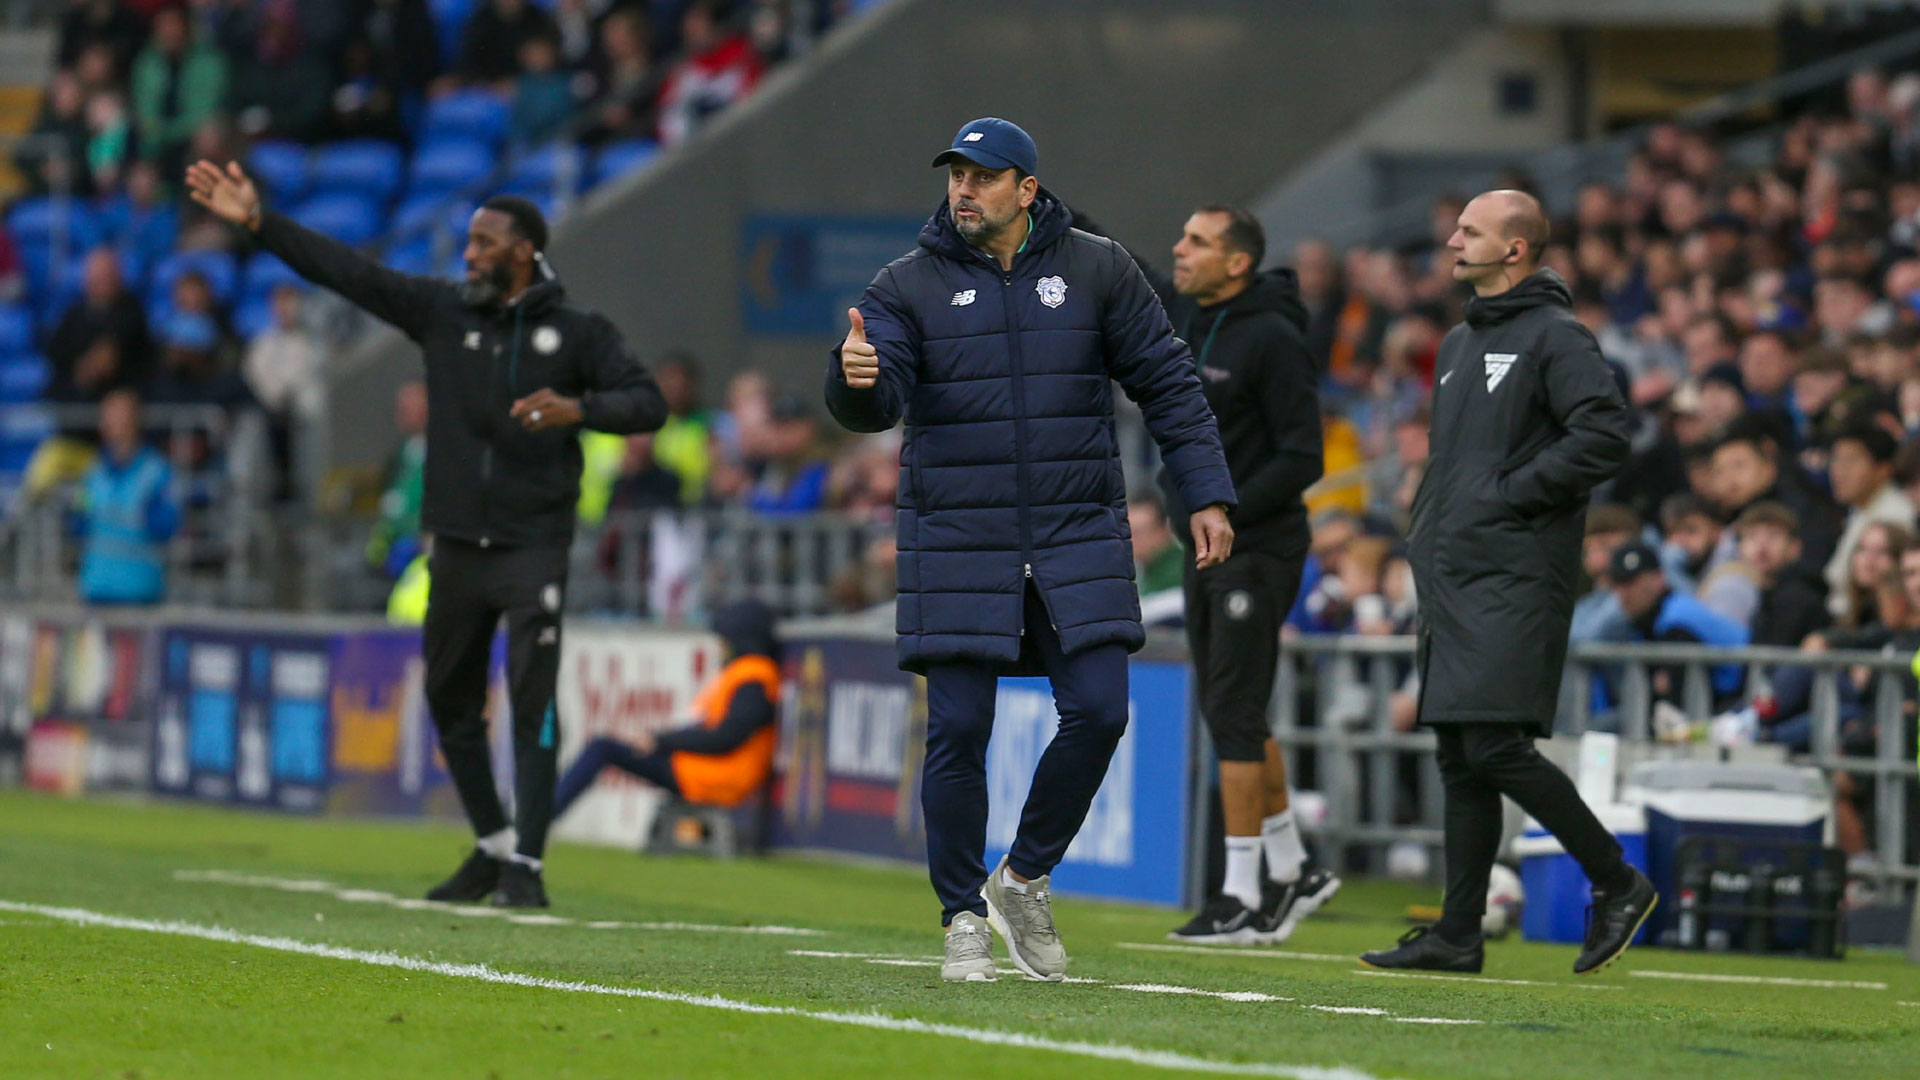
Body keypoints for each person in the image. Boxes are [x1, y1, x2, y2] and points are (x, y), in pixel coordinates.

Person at [185, 159, 668, 908]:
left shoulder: (579, 333)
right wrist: (258, 221)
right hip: (455, 545)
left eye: (482, 243)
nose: (468, 253)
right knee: (449, 701)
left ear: (522, 251)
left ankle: (528, 869)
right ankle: (491, 843)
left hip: (533, 543)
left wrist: (580, 410)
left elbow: (647, 402)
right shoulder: (443, 312)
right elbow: (349, 272)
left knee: (532, 699)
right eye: (468, 242)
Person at [824, 118, 1235, 983]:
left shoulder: (1098, 268)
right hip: (958, 538)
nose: (963, 190)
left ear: (1026, 190)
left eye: (982, 176)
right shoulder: (906, 285)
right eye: (955, 176)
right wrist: (852, 380)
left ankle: (1025, 876)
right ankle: (961, 917)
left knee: (1102, 709)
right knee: (961, 727)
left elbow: (1168, 384)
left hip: (1075, 531)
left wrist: (1204, 492)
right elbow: (878, 393)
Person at [1359, 190, 1656, 977]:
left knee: (1493, 743)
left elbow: (1603, 435)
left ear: (1515, 250)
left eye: (1470, 231)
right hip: (1457, 572)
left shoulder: (1557, 336)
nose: (1451, 239)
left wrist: (1507, 497)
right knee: (1462, 753)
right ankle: (1458, 934)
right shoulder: (1459, 342)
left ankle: (1617, 879)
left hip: (1516, 573)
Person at [1155, 204, 1339, 944]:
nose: (1181, 248)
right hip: (1209, 545)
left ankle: (1237, 893)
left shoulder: (1273, 338)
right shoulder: (1189, 318)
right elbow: (1131, 266)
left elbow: (1305, 458)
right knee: (1236, 710)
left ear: (1237, 262)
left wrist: (1222, 508)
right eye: (1183, 234)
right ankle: (1296, 868)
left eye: (1196, 240)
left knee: (1232, 713)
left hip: (1256, 549)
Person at [552, 600, 780, 819]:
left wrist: (661, 741)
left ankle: (545, 813)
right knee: (609, 747)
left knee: (602, 748)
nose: (721, 647)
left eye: (724, 640)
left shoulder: (754, 675)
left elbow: (727, 737)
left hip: (714, 775)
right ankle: (545, 811)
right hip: (702, 769)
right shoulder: (744, 673)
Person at [74, 389, 179, 606]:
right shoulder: (93, 471)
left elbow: (166, 527)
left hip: (139, 594)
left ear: (134, 420)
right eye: (105, 416)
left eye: (115, 416)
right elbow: (78, 522)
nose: (107, 423)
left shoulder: (157, 472)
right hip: (96, 590)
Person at [1824, 424, 1916, 622]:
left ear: (1883, 469)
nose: (1839, 471)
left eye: (1851, 461)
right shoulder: (1858, 509)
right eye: (1835, 460)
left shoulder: (1895, 514)